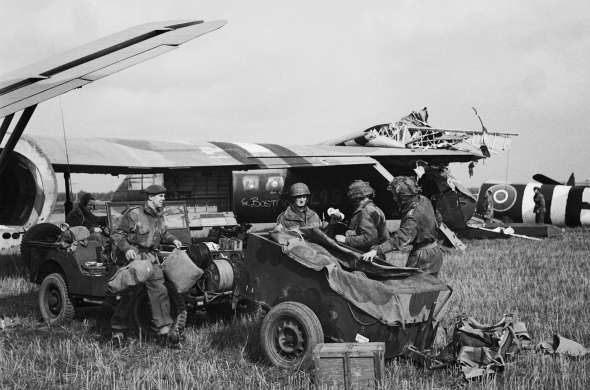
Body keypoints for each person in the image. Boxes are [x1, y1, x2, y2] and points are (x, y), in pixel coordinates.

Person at [110, 184, 182, 344]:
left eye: (164, 196)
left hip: (150, 258)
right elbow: (117, 234)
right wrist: (127, 248)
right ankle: (118, 332)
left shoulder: (159, 216)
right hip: (134, 258)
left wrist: (173, 239)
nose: (164, 199)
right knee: (130, 294)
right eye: (160, 196)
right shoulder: (134, 214)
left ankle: (164, 332)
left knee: (160, 290)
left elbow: (163, 233)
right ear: (150, 197)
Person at [361, 176, 443, 276]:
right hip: (435, 252)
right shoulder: (424, 200)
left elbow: (400, 239)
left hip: (423, 258)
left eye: (395, 196)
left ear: (403, 197)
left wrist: (376, 250)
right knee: (431, 287)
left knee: (414, 287)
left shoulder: (412, 216)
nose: (394, 198)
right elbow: (438, 219)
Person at [334, 180, 389, 251]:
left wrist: (346, 240)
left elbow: (369, 238)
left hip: (369, 255)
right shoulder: (371, 208)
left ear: (356, 197)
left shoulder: (367, 210)